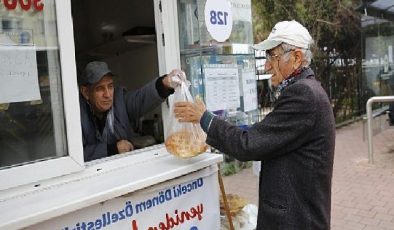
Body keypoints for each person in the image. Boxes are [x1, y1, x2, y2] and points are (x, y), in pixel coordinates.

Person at [174, 20, 335, 229]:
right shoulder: (306, 91)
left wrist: (205, 118)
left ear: (296, 58)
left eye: (272, 56)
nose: (267, 65)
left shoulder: (303, 95)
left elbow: (249, 144)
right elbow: (262, 135)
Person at [78, 61, 185, 161]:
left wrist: (165, 83)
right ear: (86, 92)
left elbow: (141, 99)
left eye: (110, 87)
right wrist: (113, 149)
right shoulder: (76, 116)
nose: (107, 95)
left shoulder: (119, 100)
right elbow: (77, 155)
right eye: (100, 89)